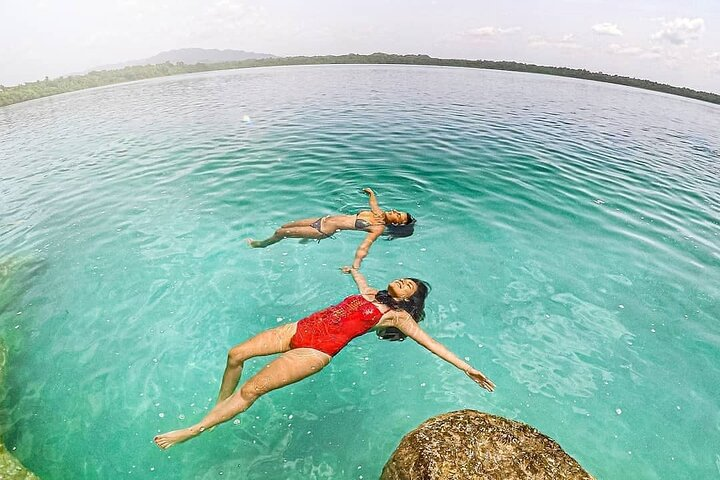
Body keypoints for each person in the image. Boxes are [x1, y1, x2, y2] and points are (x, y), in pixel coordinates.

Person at [153, 267, 494, 450]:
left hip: (315, 351)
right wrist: (356, 268)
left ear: (410, 302)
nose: (407, 282)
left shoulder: (398, 317)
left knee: (253, 391)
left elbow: (431, 343)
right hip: (299, 328)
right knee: (236, 354)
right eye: (407, 279)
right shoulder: (368, 292)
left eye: (412, 288)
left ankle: (195, 430)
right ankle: (218, 406)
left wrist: (467, 368)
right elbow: (360, 279)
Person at [247, 188, 416, 269]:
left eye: (397, 215)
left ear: (396, 224)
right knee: (285, 226)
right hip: (323, 219)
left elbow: (364, 247)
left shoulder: (378, 228)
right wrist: (370, 193)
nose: (394, 211)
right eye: (397, 210)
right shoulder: (378, 213)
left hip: (324, 230)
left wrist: (355, 266)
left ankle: (261, 244)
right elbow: (373, 202)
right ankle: (305, 240)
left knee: (280, 233)